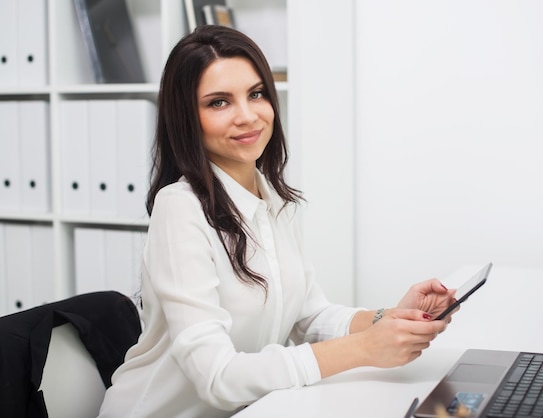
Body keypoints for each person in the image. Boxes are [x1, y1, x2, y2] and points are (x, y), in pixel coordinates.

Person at [98, 25, 456, 418]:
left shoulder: (273, 201)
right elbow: (217, 376)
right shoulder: (180, 208)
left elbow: (310, 316)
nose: (248, 116)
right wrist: (365, 348)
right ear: (187, 118)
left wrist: (388, 318)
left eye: (256, 94)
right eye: (219, 103)